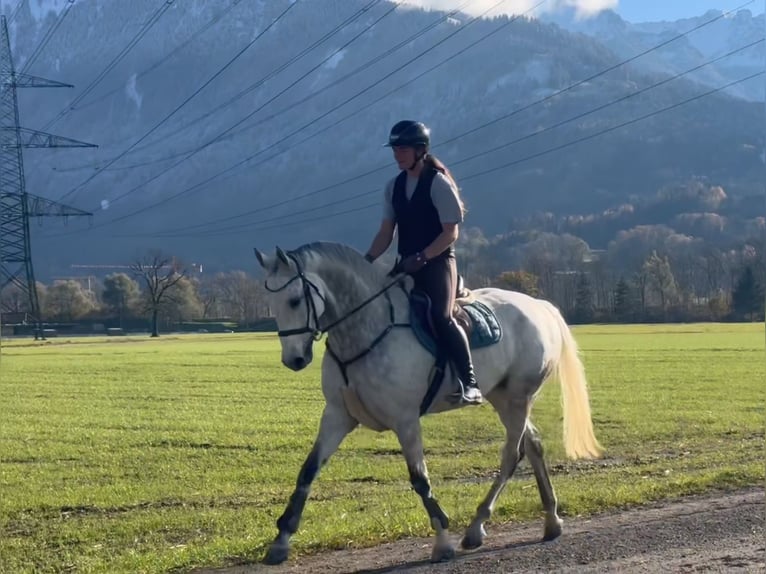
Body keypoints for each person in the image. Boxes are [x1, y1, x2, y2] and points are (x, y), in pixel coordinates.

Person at [364, 120, 483, 405]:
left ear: (420, 150)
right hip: (406, 264)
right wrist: (366, 261)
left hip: (438, 263)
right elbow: (385, 233)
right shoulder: (393, 187)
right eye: (394, 149)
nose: (397, 155)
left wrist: (423, 257)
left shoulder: (438, 183)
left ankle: (470, 383)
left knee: (442, 317)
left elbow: (451, 232)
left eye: (402, 149)